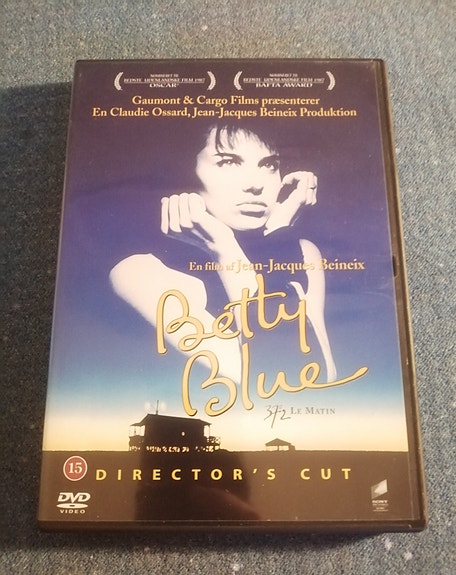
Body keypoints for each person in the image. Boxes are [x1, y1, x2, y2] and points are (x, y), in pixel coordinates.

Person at [109, 121, 336, 384]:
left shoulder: (301, 251)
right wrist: (222, 248)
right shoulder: (138, 272)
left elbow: (322, 378)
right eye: (229, 162)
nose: (255, 185)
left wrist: (276, 237)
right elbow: (281, 377)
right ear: (186, 171)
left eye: (269, 165)